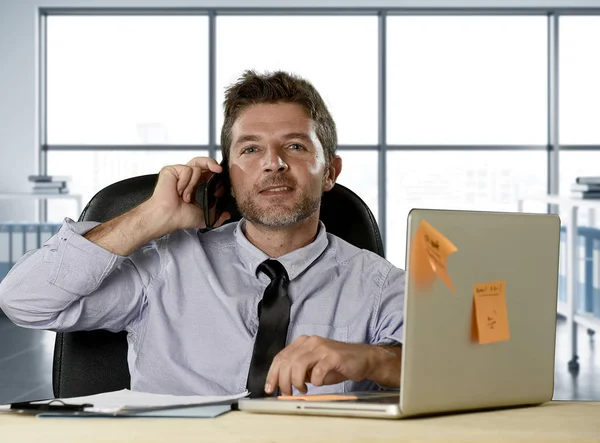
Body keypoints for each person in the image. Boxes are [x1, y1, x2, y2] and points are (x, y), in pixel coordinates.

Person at [0, 70, 405, 397]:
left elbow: (458, 368)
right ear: (226, 173)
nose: (273, 164)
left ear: (330, 172)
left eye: (295, 146)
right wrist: (151, 217)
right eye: (249, 149)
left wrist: (374, 360)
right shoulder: (165, 264)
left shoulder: (379, 283)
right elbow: (24, 302)